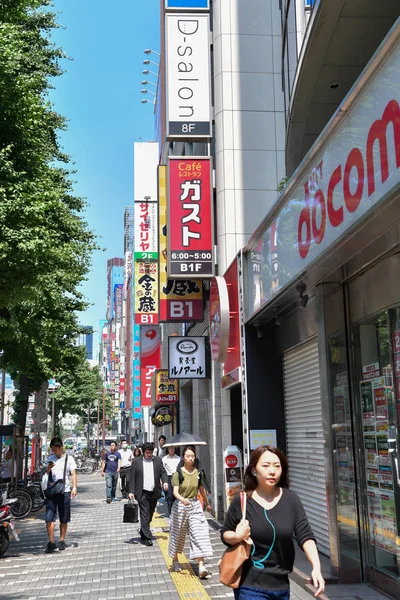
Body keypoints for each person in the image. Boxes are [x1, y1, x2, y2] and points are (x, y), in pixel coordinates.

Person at [221, 446, 325, 600]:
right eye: (266, 466)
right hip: (250, 586)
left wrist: (316, 567)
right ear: (254, 470)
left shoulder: (291, 500)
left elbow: (306, 536)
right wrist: (237, 536)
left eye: (277, 466)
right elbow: (225, 534)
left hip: (282, 587)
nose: (272, 471)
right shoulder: (242, 501)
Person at [168, 445, 212, 578]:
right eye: (188, 456)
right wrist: (182, 500)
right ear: (183, 458)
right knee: (178, 534)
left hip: (195, 506)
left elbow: (202, 489)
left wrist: (207, 504)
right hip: (180, 506)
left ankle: (201, 566)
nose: (190, 458)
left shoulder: (199, 473)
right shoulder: (178, 474)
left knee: (200, 533)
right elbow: (175, 492)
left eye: (192, 456)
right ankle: (175, 560)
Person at [128, 442, 168, 546]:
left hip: (154, 492)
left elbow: (163, 472)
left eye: (150, 453)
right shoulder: (136, 461)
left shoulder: (158, 460)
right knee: (144, 514)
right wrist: (131, 491)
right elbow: (132, 477)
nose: (149, 455)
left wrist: (165, 482)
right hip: (142, 492)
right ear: (143, 452)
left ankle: (143, 531)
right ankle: (147, 537)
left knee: (150, 514)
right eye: (147, 453)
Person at [44, 437, 77, 553]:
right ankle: (51, 542)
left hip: (65, 491)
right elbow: (45, 474)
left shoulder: (69, 459)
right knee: (49, 517)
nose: (54, 452)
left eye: (55, 449)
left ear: (60, 447)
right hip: (51, 491)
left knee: (64, 517)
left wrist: (74, 487)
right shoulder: (50, 459)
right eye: (52, 449)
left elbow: (73, 473)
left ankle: (62, 540)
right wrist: (48, 469)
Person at [162, 445, 181, 516]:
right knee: (169, 496)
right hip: (168, 477)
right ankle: (171, 513)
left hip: (176, 477)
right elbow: (162, 471)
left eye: (173, 448)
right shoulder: (164, 459)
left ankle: (176, 512)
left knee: (176, 495)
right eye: (170, 448)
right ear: (168, 449)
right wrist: (163, 481)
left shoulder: (178, 458)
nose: (172, 449)